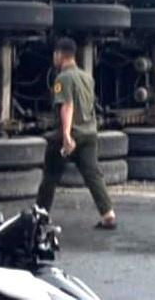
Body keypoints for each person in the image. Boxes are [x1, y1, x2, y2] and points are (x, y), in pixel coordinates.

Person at [35, 37, 118, 229]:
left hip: (71, 136)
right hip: (89, 134)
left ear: (59, 55)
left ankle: (40, 215)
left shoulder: (62, 78)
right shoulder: (87, 77)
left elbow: (67, 106)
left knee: (51, 175)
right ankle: (108, 214)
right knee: (93, 174)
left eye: (54, 54)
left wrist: (65, 135)